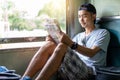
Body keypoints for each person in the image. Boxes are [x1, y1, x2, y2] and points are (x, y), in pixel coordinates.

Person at [21, 3, 110, 80]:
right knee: (49, 44)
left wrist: (70, 43)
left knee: (62, 46)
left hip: (90, 72)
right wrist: (53, 39)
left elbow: (91, 53)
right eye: (79, 17)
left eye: (84, 16)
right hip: (73, 67)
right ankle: (25, 78)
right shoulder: (78, 36)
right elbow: (66, 52)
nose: (81, 20)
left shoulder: (102, 33)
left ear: (93, 16)